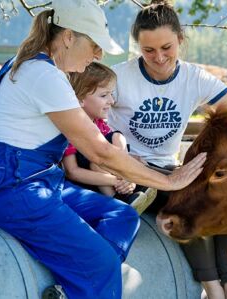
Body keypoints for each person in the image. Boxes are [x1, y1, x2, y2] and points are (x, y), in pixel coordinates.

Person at [0, 1, 206, 299]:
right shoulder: (43, 75)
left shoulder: (36, 67)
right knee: (101, 264)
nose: (98, 55)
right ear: (68, 36)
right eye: (94, 45)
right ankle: (91, 274)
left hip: (38, 183)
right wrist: (170, 181)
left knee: (123, 217)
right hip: (13, 189)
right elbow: (100, 152)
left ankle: (71, 286)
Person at [106, 2, 227, 299]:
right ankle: (212, 290)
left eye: (166, 47)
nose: (158, 58)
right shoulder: (118, 78)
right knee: (186, 200)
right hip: (132, 173)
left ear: (181, 40)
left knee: (221, 193)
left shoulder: (194, 78)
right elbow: (93, 124)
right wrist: (118, 151)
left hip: (170, 168)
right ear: (138, 47)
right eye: (148, 50)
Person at [61, 62, 157, 212]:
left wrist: (124, 176)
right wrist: (115, 180)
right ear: (79, 99)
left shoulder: (99, 123)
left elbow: (113, 151)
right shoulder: (70, 129)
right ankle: (118, 198)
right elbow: (72, 172)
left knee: (117, 137)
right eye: (104, 95)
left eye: (111, 94)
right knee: (97, 162)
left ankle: (127, 181)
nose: (111, 101)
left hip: (108, 174)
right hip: (85, 180)